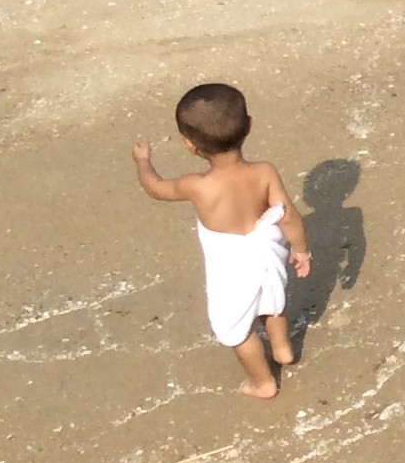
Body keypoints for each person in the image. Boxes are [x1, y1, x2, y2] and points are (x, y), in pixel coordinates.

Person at [132, 83, 314, 399]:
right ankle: (282, 348)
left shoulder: (196, 185)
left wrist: (142, 161)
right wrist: (301, 250)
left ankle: (263, 382)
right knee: (271, 299)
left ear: (189, 145)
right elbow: (288, 216)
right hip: (266, 248)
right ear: (249, 125)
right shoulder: (265, 172)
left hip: (231, 266)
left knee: (236, 329)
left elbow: (155, 188)